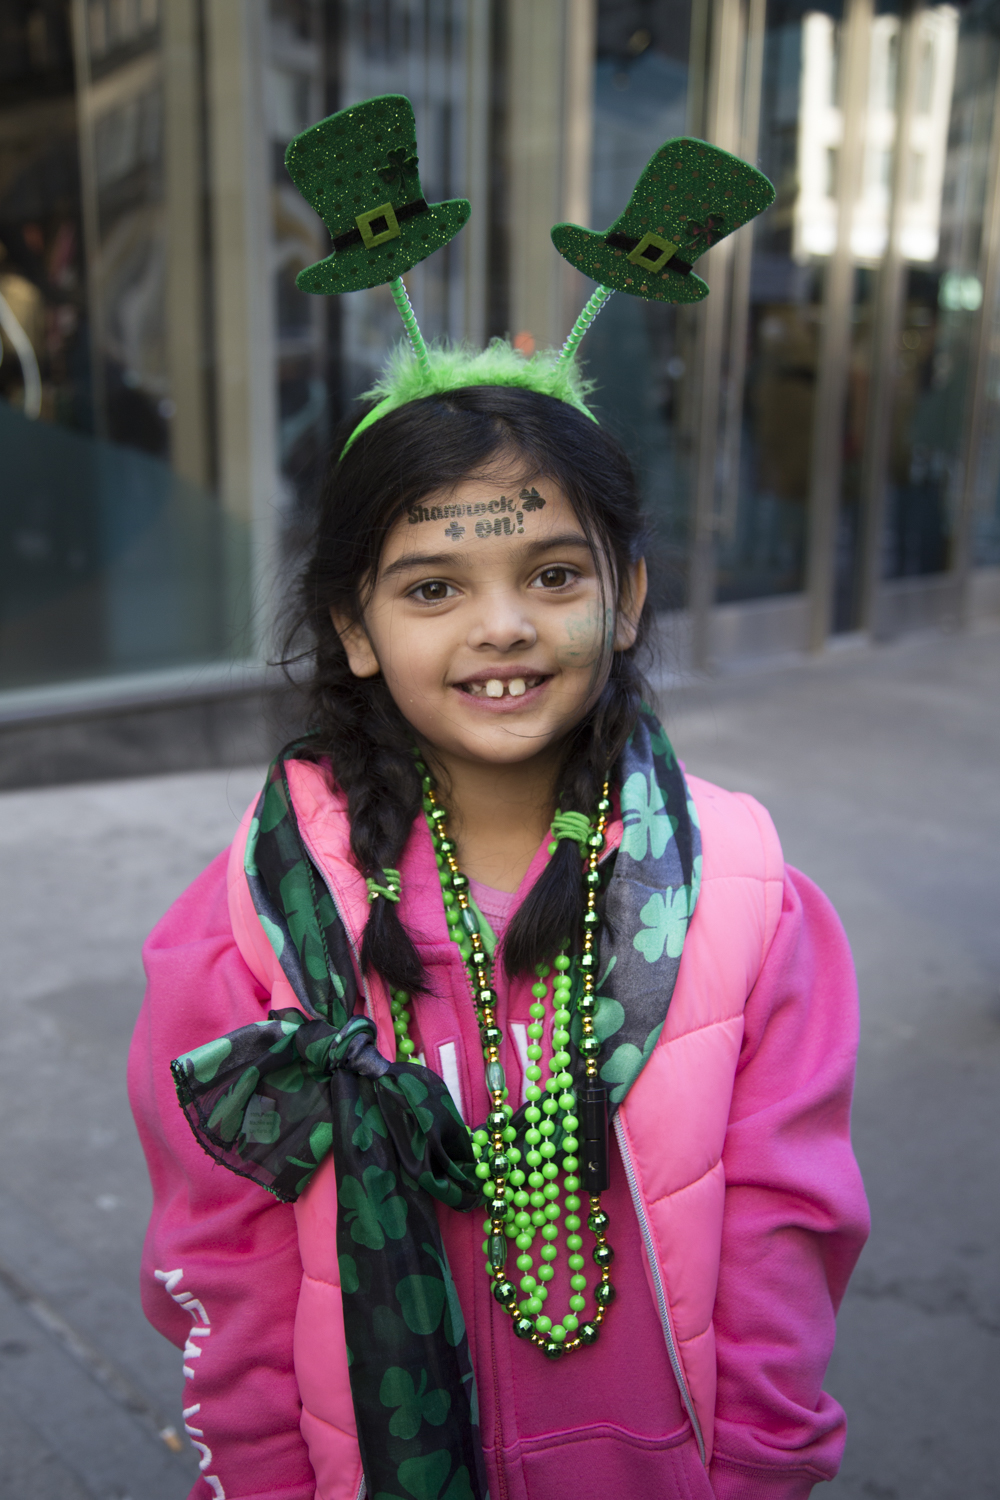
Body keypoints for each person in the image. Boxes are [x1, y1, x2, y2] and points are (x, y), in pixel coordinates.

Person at [128, 97, 868, 1500]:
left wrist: (762, 1473)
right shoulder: (256, 922)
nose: (502, 627)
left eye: (551, 574)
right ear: (353, 629)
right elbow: (214, 1243)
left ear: (627, 594)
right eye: (431, 589)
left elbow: (785, 1225)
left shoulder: (748, 897)